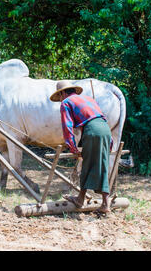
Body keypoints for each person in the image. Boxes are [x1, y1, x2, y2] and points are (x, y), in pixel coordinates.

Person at [50, 80, 112, 214]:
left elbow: (67, 127)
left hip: (92, 131)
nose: (60, 100)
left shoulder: (66, 103)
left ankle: (80, 199)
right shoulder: (89, 99)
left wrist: (73, 148)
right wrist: (110, 141)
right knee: (103, 164)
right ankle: (105, 203)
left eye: (60, 97)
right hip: (105, 130)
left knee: (87, 165)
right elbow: (102, 118)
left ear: (62, 93)